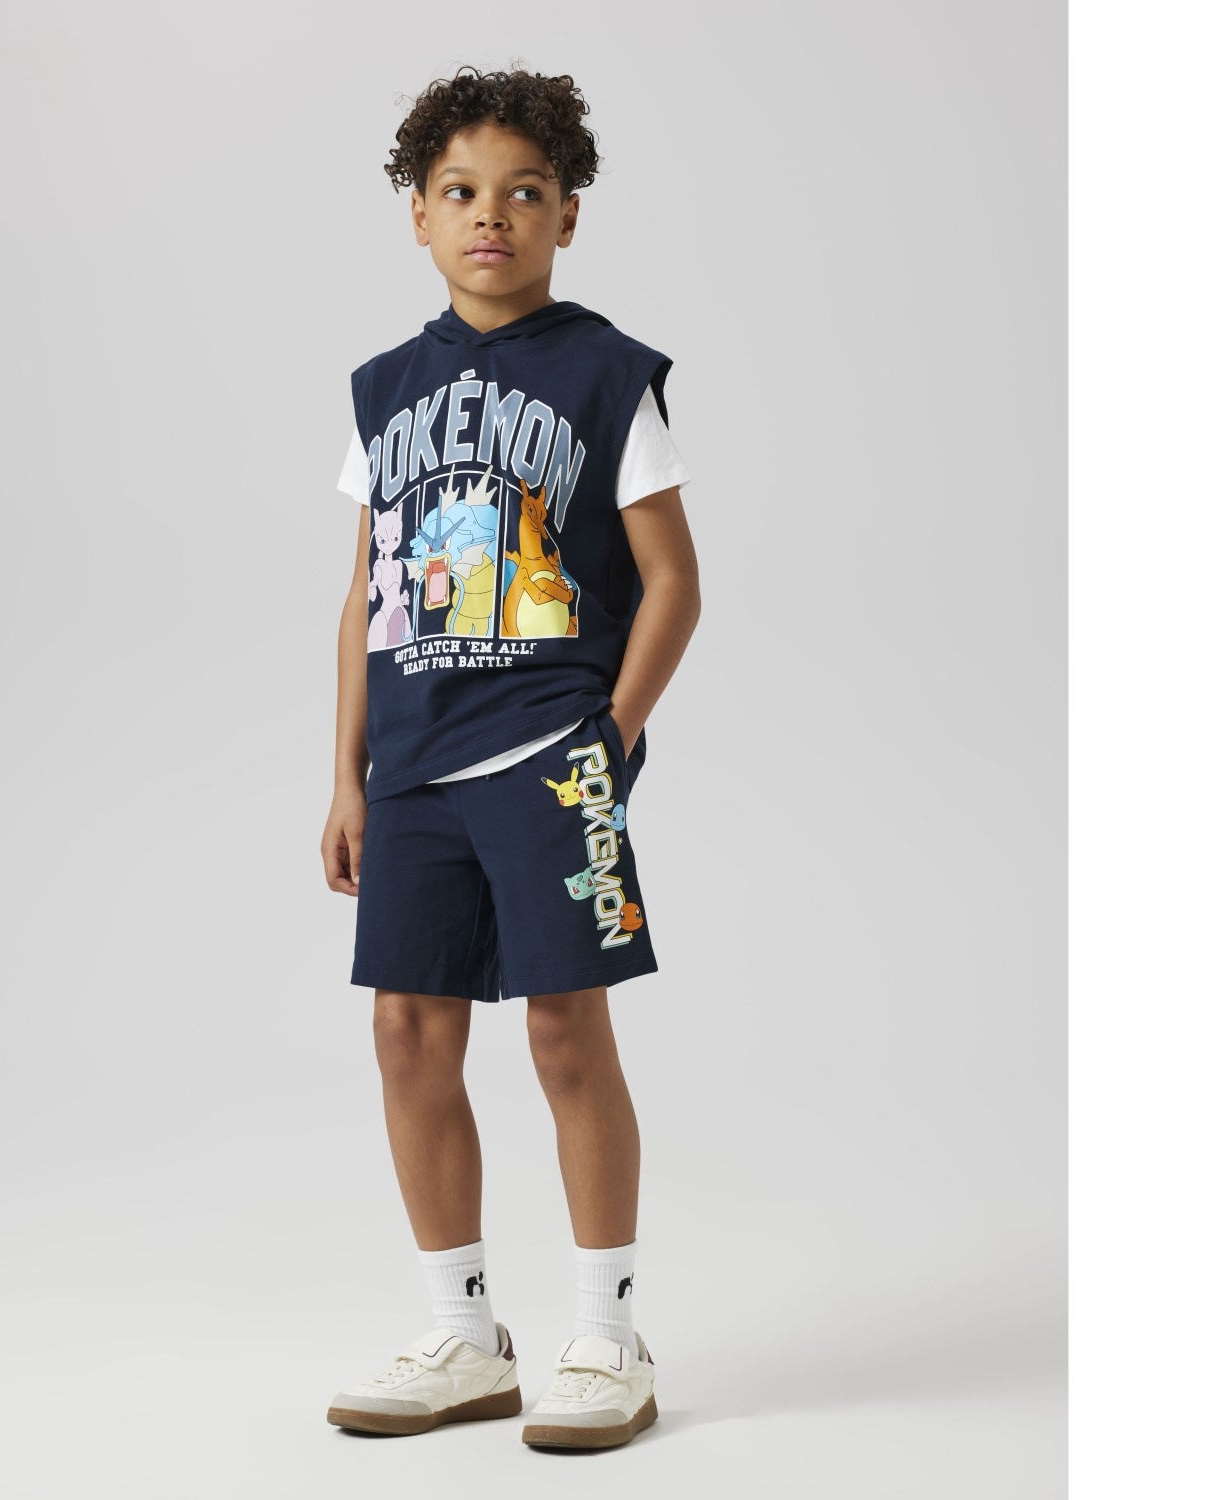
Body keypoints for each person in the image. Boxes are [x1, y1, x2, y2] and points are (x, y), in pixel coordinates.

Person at [319, 63, 701, 1451]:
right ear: (420, 215)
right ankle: (466, 1336)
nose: (493, 215)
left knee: (562, 1028)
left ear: (567, 218)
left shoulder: (607, 375)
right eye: (463, 192)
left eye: (525, 193)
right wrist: (347, 776)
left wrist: (613, 732)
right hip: (415, 767)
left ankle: (610, 1335)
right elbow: (365, 595)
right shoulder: (383, 392)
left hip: (551, 752)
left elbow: (674, 582)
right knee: (406, 1032)